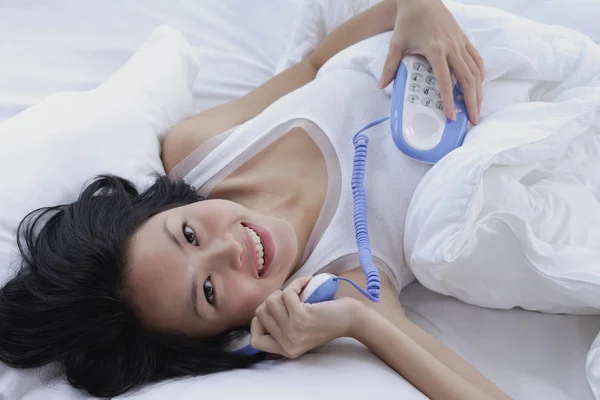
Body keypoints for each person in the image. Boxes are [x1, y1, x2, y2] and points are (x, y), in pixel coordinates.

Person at [0, 0, 508, 399]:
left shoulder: (198, 148)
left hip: (439, 30)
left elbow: (313, 64)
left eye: (189, 234)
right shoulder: (344, 283)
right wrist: (363, 324)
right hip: (508, 112)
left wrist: (416, 6)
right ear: (227, 334)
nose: (228, 251)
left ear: (166, 209)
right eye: (210, 293)